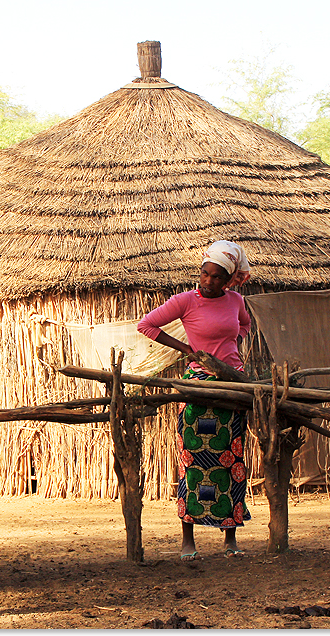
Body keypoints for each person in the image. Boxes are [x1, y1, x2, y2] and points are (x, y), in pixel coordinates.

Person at [137, 240, 253, 561]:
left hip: (232, 384)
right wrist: (186, 350)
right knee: (193, 462)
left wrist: (233, 346)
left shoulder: (236, 302)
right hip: (198, 388)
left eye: (217, 277)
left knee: (232, 462)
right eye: (204, 274)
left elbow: (243, 325)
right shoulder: (185, 301)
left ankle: (230, 537)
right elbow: (146, 325)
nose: (208, 281)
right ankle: (188, 538)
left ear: (228, 279)